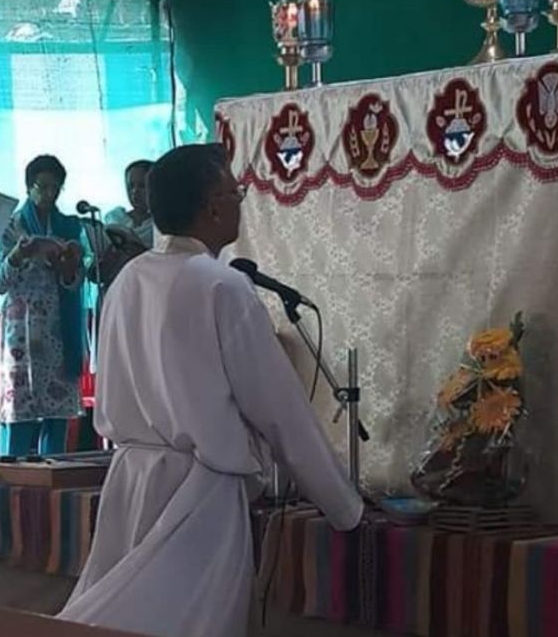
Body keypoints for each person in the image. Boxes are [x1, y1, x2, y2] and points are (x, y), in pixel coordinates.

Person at [58, 144, 363, 637]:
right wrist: (344, 507)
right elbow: (279, 411)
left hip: (130, 481)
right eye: (235, 193)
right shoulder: (221, 285)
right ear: (213, 208)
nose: (240, 202)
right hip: (198, 492)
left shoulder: (127, 279)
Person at [0, 155, 85, 457]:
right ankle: (12, 473)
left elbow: (75, 283)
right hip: (21, 330)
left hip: (57, 328)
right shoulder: (11, 227)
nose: (48, 194)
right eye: (41, 187)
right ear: (29, 187)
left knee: (56, 414)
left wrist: (67, 267)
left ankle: (53, 471)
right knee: (20, 410)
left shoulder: (68, 227)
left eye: (54, 188)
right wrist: (18, 256)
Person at [104, 160, 154, 249]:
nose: (135, 191)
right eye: (131, 186)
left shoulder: (160, 226)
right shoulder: (115, 218)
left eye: (142, 186)